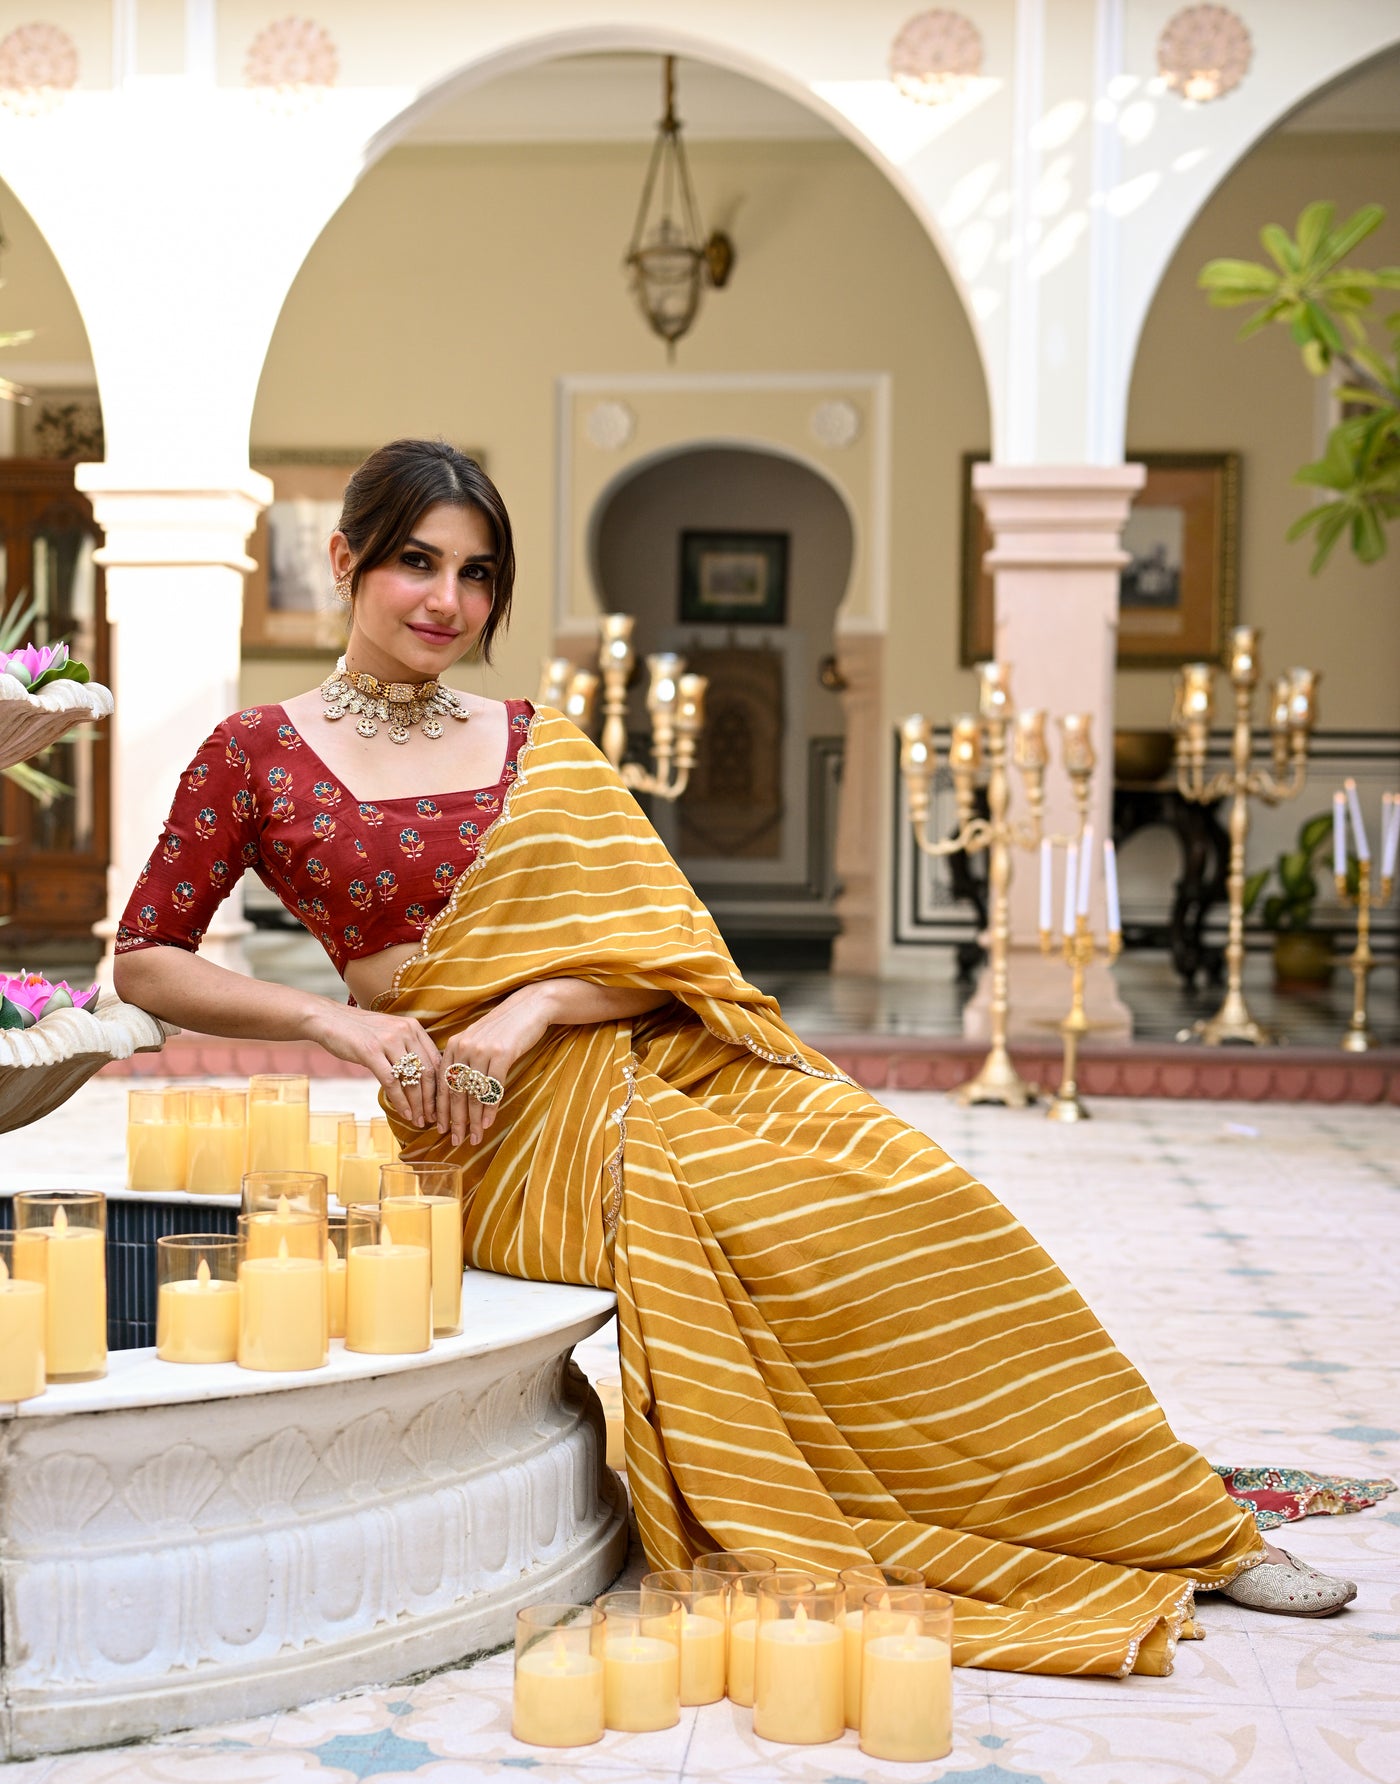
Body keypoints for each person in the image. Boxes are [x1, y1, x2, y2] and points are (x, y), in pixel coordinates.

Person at [114, 438, 1357, 1678]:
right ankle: (1152, 1529)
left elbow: (664, 946)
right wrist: (339, 1022)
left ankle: (1165, 1512)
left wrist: (533, 1001)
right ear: (346, 562)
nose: (448, 601)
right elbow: (148, 956)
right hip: (487, 1132)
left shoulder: (535, 740)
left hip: (633, 1051)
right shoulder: (254, 753)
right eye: (415, 564)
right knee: (766, 1217)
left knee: (917, 1194)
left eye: (478, 573)